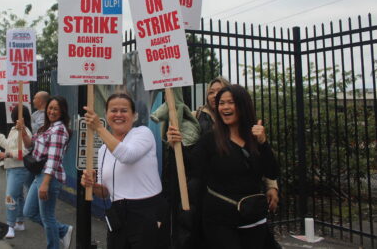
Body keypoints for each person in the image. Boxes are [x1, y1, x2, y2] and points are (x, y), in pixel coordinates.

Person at [171, 84, 279, 249]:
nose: (225, 107)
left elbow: (272, 171)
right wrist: (176, 145)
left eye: (231, 102)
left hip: (254, 218)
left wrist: (263, 143)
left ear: (243, 105)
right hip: (220, 220)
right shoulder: (210, 140)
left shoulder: (255, 138)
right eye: (221, 103)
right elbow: (192, 167)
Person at [81, 93, 169, 249]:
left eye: (124, 110)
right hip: (118, 215)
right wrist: (92, 185)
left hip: (147, 212)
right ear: (106, 114)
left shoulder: (143, 133)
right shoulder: (102, 150)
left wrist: (99, 128)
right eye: (113, 110)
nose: (118, 115)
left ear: (134, 116)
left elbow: (127, 155)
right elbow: (105, 193)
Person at [21, 96, 73, 249]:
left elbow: (53, 159)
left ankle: (54, 245)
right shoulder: (47, 127)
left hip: (49, 177)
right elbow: (30, 144)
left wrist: (45, 183)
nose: (52, 111)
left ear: (62, 111)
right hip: (39, 175)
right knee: (29, 212)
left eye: (56, 108)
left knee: (47, 217)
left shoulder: (59, 130)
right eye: (50, 108)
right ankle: (63, 230)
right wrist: (23, 130)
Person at [0, 105, 33, 239]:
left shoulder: (25, 131)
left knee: (10, 197)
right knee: (18, 196)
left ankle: (10, 225)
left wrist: (6, 155)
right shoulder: (14, 130)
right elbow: (8, 144)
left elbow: (25, 151)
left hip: (19, 169)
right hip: (11, 168)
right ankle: (19, 221)